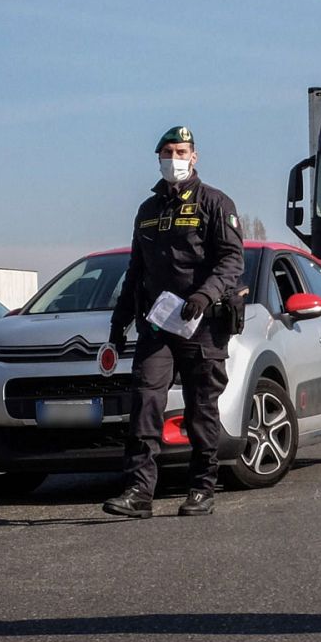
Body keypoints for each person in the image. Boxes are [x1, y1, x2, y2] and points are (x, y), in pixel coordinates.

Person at [103, 125, 245, 519]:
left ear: (194, 156)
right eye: (167, 151)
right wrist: (120, 321)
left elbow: (232, 261)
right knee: (146, 402)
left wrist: (204, 295)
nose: (174, 158)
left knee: (202, 409)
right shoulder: (148, 211)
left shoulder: (215, 203)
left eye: (181, 151)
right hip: (157, 325)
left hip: (203, 324)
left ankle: (202, 488)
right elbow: (136, 270)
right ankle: (138, 492)